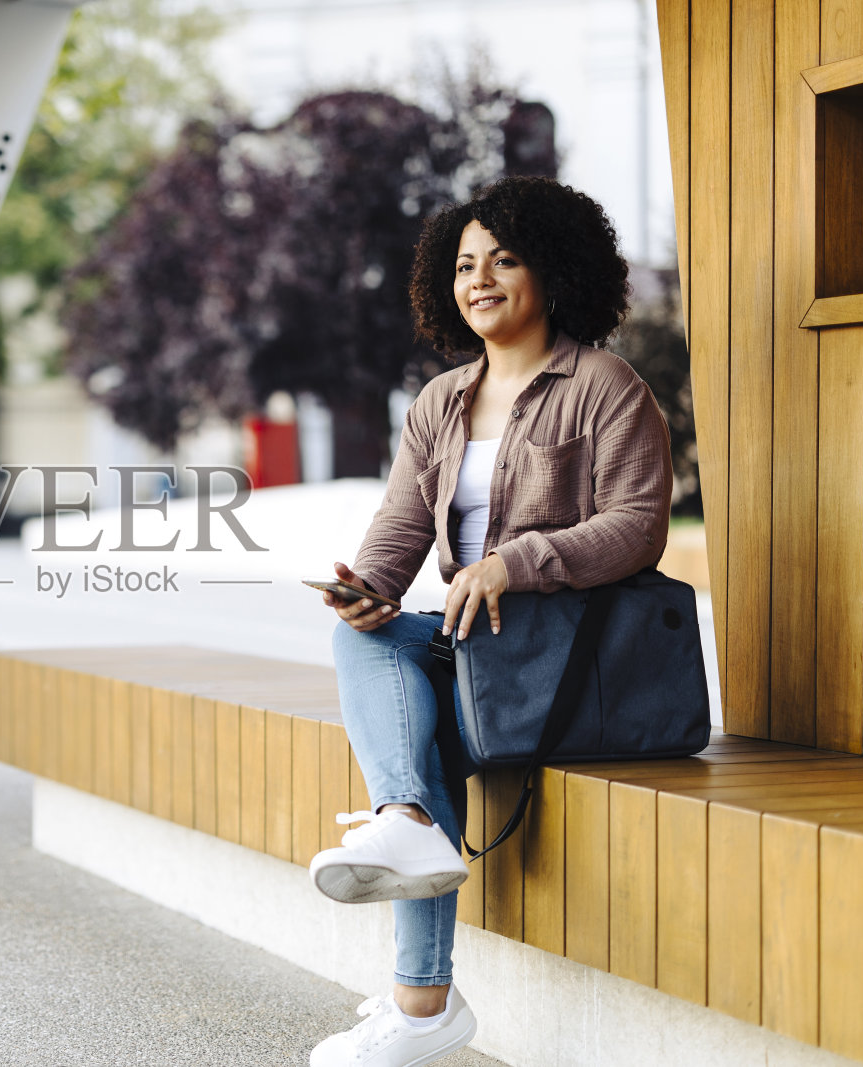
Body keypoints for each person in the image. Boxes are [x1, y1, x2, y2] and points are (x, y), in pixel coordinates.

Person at [306, 176, 672, 1067]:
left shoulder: (604, 386)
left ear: (554, 270)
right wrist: (369, 587)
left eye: (505, 259)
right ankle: (410, 831)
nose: (481, 279)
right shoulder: (440, 401)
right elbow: (399, 525)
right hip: (472, 646)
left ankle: (424, 1006)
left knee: (421, 740)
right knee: (367, 637)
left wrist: (518, 560)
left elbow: (638, 524)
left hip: (563, 653)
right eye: (466, 264)